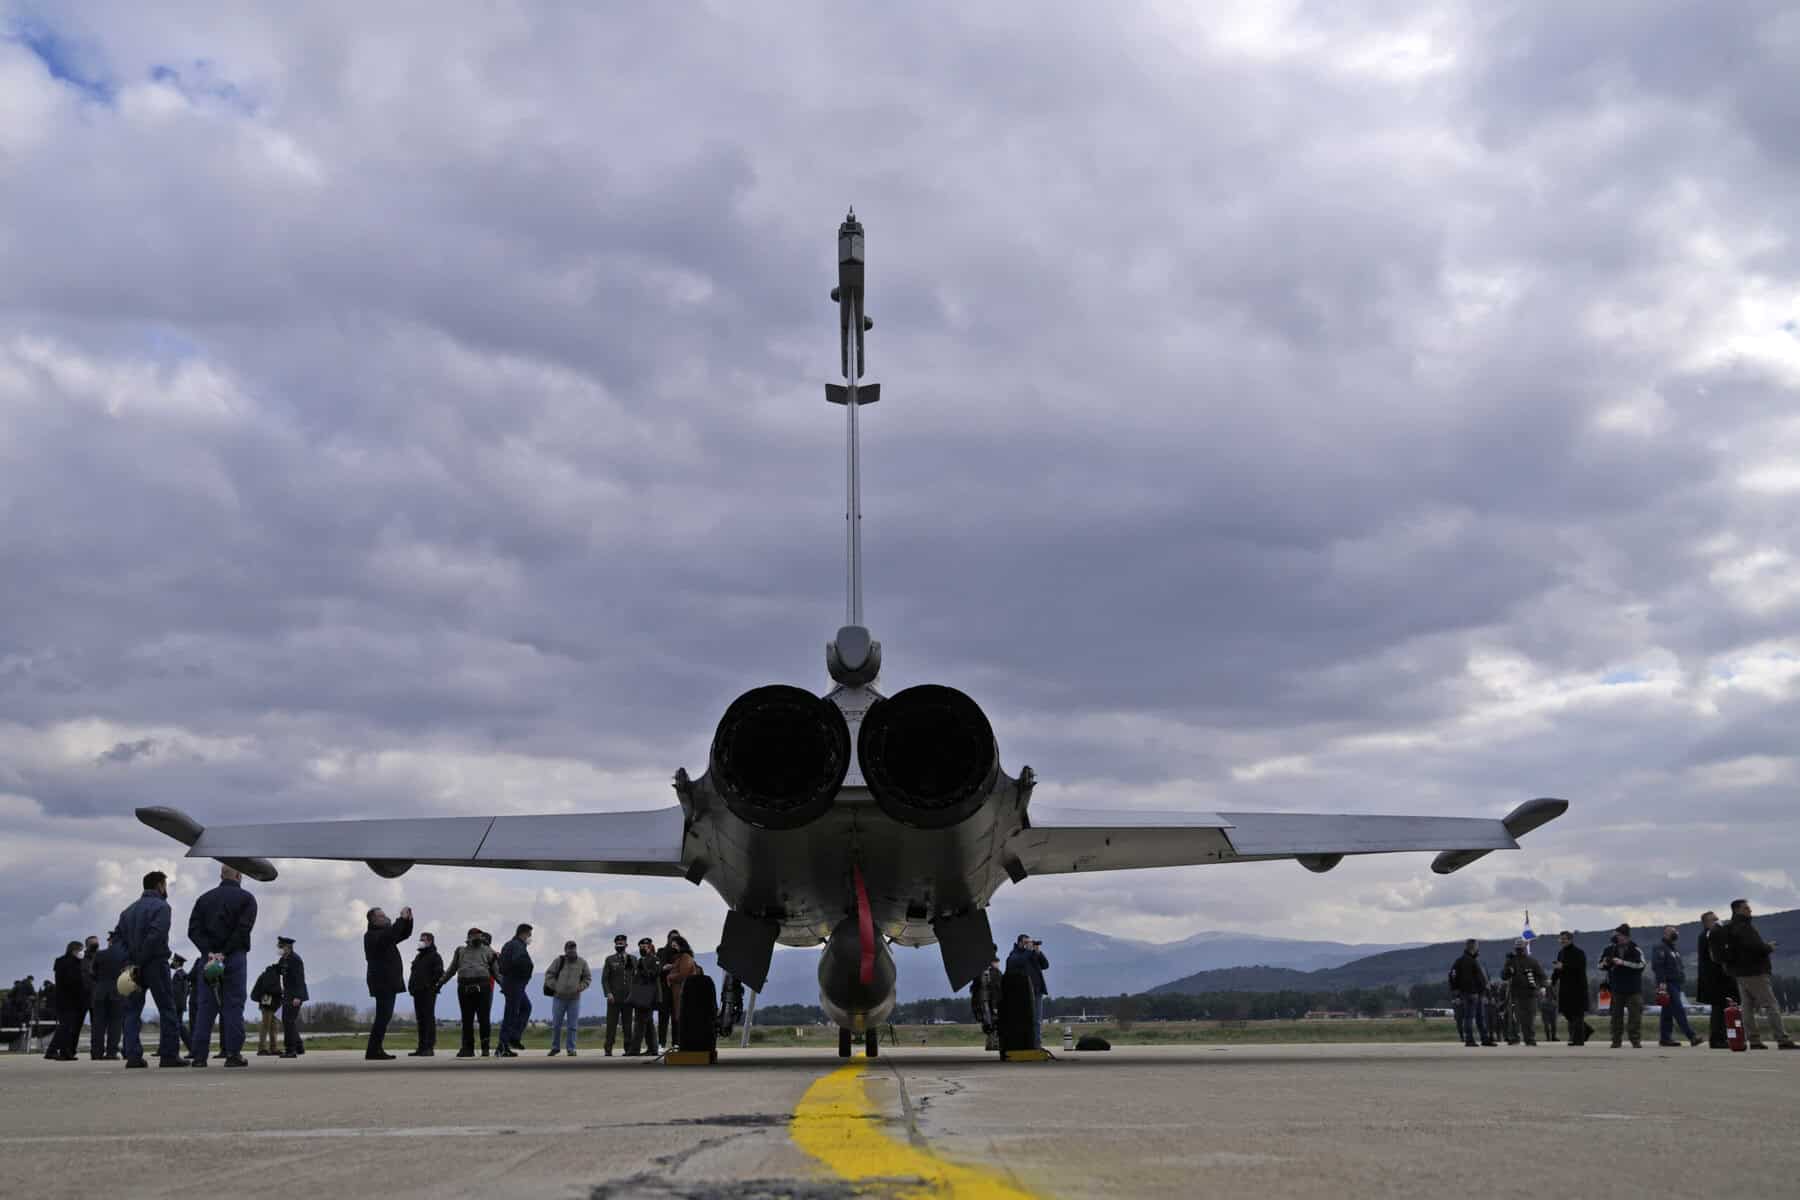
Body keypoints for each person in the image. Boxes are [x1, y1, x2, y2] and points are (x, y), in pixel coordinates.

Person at [188, 864, 257, 1068]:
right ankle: (233, 1053)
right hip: (233, 958)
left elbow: (193, 930)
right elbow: (243, 930)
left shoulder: (203, 899)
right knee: (233, 1005)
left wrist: (209, 952)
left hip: (207, 959)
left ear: (221, 875)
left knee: (205, 1007)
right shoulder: (247, 899)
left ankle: (199, 1056)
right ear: (238, 874)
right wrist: (224, 954)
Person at [1721, 899, 1797, 1050]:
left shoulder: (1731, 927)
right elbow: (1755, 947)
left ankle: (1753, 1040)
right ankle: (1782, 1038)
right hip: (1754, 972)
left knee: (1747, 1007)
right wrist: (1768, 947)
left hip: (1740, 973)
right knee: (1771, 1005)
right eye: (1746, 908)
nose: (1750, 910)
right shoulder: (1744, 927)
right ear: (1737, 910)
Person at [362, 905, 414, 1060]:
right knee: (383, 1017)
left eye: (385, 915)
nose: (385, 918)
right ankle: (373, 1050)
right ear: (373, 920)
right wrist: (401, 919)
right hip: (382, 982)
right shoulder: (372, 935)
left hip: (387, 982)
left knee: (384, 1016)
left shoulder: (383, 934)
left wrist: (408, 921)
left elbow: (403, 934)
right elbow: (390, 935)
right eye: (381, 916)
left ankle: (375, 1049)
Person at [439, 927, 499, 1057]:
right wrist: (440, 983)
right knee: (467, 1019)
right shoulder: (460, 951)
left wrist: (504, 986)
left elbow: (496, 972)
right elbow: (451, 969)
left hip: (483, 987)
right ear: (469, 937)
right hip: (464, 986)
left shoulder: (489, 951)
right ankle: (467, 1048)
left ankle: (485, 1048)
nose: (478, 938)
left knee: (484, 1018)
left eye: (480, 936)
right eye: (475, 936)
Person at [1651, 924, 1701, 1047]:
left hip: (1676, 983)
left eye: (1676, 931)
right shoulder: (1660, 948)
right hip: (1667, 983)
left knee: (1667, 1012)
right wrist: (1662, 984)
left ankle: (1665, 1038)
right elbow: (1658, 966)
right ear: (1666, 933)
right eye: (1672, 931)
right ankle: (1692, 1036)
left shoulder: (1673, 949)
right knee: (1678, 1009)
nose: (1676, 933)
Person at [1599, 924, 1647, 1048]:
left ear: (1625, 936)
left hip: (1633, 988)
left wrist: (1623, 963)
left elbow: (1641, 965)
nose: (1616, 937)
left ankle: (1635, 1040)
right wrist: (1605, 963)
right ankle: (1616, 1040)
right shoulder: (1609, 949)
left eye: (1618, 935)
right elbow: (1600, 966)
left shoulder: (1635, 949)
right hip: (1616, 987)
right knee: (1615, 1017)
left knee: (1635, 1017)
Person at [545, 939, 592, 1057]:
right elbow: (549, 975)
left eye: (573, 948)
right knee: (556, 1024)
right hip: (558, 998)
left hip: (574, 999)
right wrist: (556, 986)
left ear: (576, 949)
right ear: (565, 950)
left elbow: (587, 978)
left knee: (572, 1026)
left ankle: (571, 1048)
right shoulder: (558, 961)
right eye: (569, 949)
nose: (571, 951)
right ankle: (555, 1047)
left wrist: (580, 987)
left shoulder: (582, 962)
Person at [1696, 911, 1736, 1050]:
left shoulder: (1708, 935)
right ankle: (1717, 1039)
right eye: (1714, 919)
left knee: (1720, 1008)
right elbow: (1715, 956)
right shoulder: (1709, 935)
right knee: (1719, 1009)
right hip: (1714, 978)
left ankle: (1720, 1037)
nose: (1718, 921)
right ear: (1707, 922)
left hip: (1715, 977)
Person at [1005, 934, 1050, 1049]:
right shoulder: (1014, 955)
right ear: (1020, 943)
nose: (1029, 944)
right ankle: (1026, 1045)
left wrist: (1038, 952)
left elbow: (1045, 965)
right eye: (1027, 942)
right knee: (1025, 1020)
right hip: (1023, 994)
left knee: (1037, 1021)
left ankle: (1037, 1045)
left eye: (1030, 942)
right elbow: (1016, 962)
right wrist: (1029, 952)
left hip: (1037, 991)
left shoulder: (1031, 954)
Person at [496, 923, 534, 1057]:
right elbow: (518, 963)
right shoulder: (517, 946)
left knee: (525, 1007)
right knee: (511, 1014)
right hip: (515, 983)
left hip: (511, 983)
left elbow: (502, 963)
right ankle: (503, 1044)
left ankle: (512, 1038)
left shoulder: (509, 944)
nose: (530, 938)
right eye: (529, 935)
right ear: (523, 933)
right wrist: (524, 974)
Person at [90, 930, 128, 1060]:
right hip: (118, 992)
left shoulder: (100, 954)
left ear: (110, 941)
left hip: (100, 992)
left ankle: (96, 1052)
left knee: (98, 1024)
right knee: (115, 1024)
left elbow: (93, 974)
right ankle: (111, 1052)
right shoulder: (125, 956)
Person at [1500, 939, 1545, 1046]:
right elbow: (1504, 976)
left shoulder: (1533, 961)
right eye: (1517, 948)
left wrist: (1539, 987)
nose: (1519, 950)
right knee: (1515, 1018)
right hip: (1515, 994)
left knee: (1529, 1018)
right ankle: (1514, 1037)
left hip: (1530, 994)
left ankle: (1529, 1038)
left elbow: (1542, 976)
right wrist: (1507, 967)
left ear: (1525, 948)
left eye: (1521, 948)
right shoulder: (1511, 961)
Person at [1551, 931, 1592, 1046]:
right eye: (1561, 939)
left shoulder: (1579, 953)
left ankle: (1578, 1040)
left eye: (1564, 939)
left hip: (1578, 987)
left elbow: (1579, 968)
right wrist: (1553, 981)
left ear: (1570, 940)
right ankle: (1586, 1030)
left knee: (1577, 1014)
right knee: (1566, 1012)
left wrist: (1563, 966)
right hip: (1565, 988)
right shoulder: (1561, 953)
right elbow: (1557, 969)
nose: (1562, 941)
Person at [47, 942, 87, 1060]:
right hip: (71, 999)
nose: (82, 952)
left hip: (62, 999)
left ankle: (58, 1051)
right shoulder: (73, 963)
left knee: (65, 1026)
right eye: (81, 950)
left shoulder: (60, 961)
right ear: (74, 950)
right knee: (66, 1027)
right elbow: (73, 981)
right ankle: (61, 1052)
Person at [1448, 940, 1492, 1047]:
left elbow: (1452, 976)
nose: (1478, 949)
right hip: (1473, 993)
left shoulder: (1459, 961)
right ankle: (1473, 1039)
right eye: (1477, 947)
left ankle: (1480, 1039)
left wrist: (1456, 990)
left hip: (1469, 993)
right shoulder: (1472, 962)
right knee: (1474, 1017)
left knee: (1474, 1017)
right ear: (1473, 948)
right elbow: (1476, 978)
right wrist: (1481, 990)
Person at [408, 931, 444, 1057]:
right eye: (420, 939)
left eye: (423, 939)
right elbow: (414, 973)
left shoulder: (435, 956)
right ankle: (421, 1047)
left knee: (428, 1019)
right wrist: (411, 987)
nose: (421, 941)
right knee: (420, 1020)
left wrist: (429, 986)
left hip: (428, 992)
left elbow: (439, 973)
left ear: (430, 941)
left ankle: (429, 1047)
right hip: (417, 992)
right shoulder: (418, 957)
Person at [600, 934, 635, 1057]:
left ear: (626, 945)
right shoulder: (610, 959)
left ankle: (628, 1048)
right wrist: (608, 993)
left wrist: (635, 994)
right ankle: (608, 1048)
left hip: (628, 997)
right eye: (618, 943)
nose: (620, 945)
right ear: (615, 945)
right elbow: (605, 979)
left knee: (628, 1024)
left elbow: (635, 978)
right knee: (611, 1024)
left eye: (622, 943)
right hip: (613, 998)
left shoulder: (633, 959)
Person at [626, 938, 661, 1056]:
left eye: (645, 947)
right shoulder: (640, 960)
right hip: (640, 995)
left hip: (648, 995)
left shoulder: (655, 959)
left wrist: (643, 969)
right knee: (648, 1023)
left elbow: (654, 975)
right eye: (640, 947)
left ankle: (634, 1049)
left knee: (640, 1022)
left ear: (650, 947)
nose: (642, 949)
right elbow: (636, 979)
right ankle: (653, 1048)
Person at [664, 935, 699, 1049]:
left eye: (675, 946)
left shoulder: (685, 957)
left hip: (684, 993)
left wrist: (670, 977)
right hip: (678, 994)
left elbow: (684, 974)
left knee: (684, 1019)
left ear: (681, 946)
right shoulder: (679, 958)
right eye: (672, 946)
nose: (673, 948)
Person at [277, 937, 307, 1057]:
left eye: (281, 946)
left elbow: (300, 979)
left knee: (288, 1020)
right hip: (288, 994)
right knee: (289, 1021)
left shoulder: (295, 960)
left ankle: (291, 1050)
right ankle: (299, 1047)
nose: (279, 949)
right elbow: (278, 971)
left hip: (295, 995)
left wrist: (298, 996)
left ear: (287, 947)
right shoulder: (284, 959)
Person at [655, 930, 683, 1049]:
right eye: (672, 938)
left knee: (676, 1017)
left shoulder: (683, 954)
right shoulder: (661, 952)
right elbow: (659, 969)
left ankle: (676, 1043)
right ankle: (661, 1043)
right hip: (665, 989)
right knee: (663, 1018)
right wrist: (665, 967)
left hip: (677, 989)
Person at [251, 957, 285, 1056]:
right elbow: (267, 988)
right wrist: (280, 991)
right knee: (265, 1026)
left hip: (274, 1004)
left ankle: (273, 1048)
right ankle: (262, 1049)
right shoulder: (271, 973)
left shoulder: (275, 973)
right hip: (268, 1004)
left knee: (274, 1026)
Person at [972, 950, 1003, 1051]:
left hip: (983, 1002)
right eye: (997, 962)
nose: (998, 964)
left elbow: (974, 989)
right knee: (993, 1023)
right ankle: (993, 1043)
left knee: (988, 1024)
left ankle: (991, 1043)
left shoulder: (980, 972)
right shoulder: (995, 973)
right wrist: (995, 1006)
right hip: (990, 1003)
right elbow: (996, 990)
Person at [168, 954, 193, 1059]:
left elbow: (176, 992)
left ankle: (193, 1048)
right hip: (180, 1005)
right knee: (179, 1027)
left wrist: (173, 1004)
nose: (172, 962)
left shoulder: (178, 975)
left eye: (174, 961)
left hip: (177, 1005)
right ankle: (193, 1048)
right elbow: (187, 991)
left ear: (177, 962)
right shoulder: (183, 974)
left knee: (179, 1027)